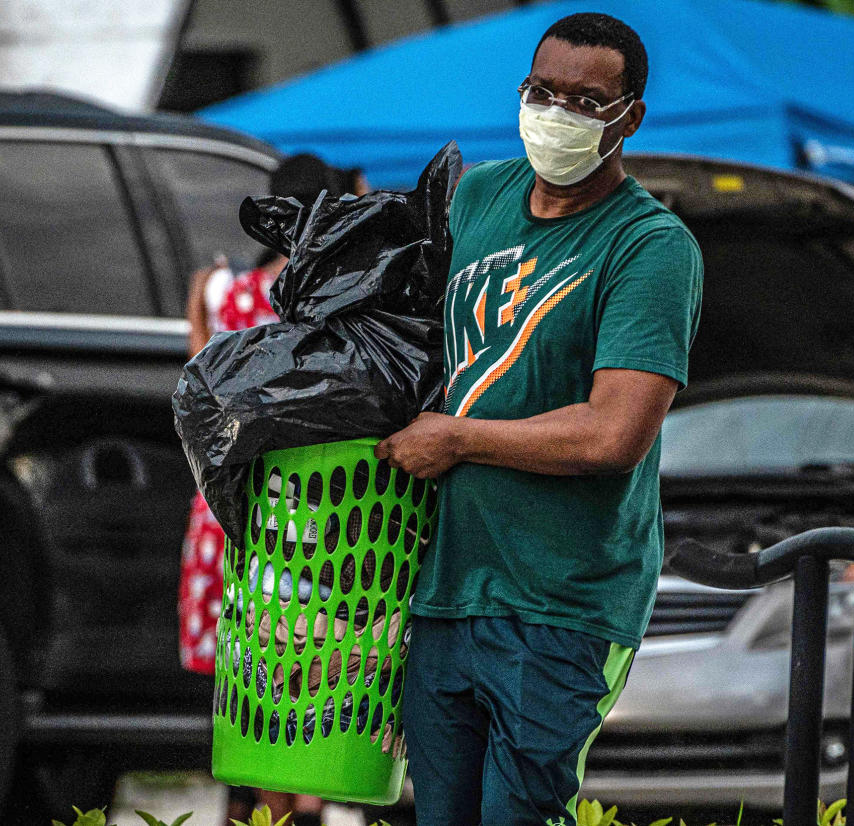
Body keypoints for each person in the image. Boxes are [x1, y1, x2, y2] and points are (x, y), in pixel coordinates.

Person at [374, 12, 703, 826]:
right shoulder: (480, 196)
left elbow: (611, 435)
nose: (557, 113)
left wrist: (455, 437)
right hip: (446, 591)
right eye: (542, 92)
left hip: (562, 602)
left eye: (587, 101)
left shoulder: (649, 247)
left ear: (630, 117)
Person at [179, 153, 362, 826]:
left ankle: (260, 809)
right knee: (314, 668)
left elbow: (199, 390)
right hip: (313, 510)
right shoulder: (337, 296)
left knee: (247, 680)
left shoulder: (224, 292)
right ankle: (306, 805)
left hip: (229, 508)